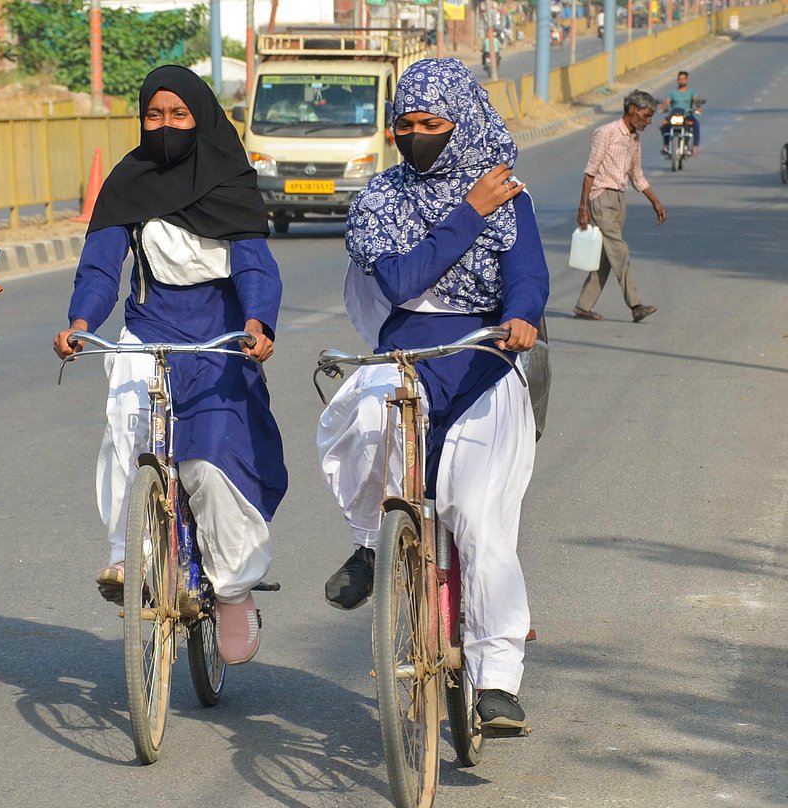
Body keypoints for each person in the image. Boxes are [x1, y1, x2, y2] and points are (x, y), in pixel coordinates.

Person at [318, 58, 547, 730]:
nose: (415, 135)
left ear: (464, 121)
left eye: (431, 123)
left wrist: (524, 314)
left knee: (478, 514)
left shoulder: (508, 193)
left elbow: (527, 275)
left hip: (481, 359)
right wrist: (467, 215)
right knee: (361, 422)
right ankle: (372, 544)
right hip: (407, 354)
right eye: (405, 124)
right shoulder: (380, 200)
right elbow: (400, 280)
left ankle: (498, 678)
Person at [53, 65, 288, 666]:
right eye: (153, 116)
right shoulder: (128, 182)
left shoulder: (233, 182)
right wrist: (82, 323)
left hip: (221, 337)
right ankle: (126, 554)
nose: (164, 127)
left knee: (208, 465)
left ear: (200, 118)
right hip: (151, 329)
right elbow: (102, 266)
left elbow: (256, 267)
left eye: (177, 116)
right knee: (125, 431)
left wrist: (258, 324)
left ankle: (234, 590)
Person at [573, 90, 665, 323]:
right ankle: (635, 305)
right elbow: (590, 171)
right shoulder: (607, 133)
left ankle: (583, 306)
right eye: (646, 115)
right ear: (632, 109)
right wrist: (583, 207)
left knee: (606, 256)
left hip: (619, 200)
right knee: (620, 251)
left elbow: (637, 175)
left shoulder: (634, 139)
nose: (649, 121)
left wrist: (655, 202)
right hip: (601, 197)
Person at [660, 70, 702, 157]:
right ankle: (666, 146)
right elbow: (667, 102)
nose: (681, 81)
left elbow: (696, 100)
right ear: (677, 80)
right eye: (680, 79)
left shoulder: (691, 92)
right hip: (674, 115)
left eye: (683, 79)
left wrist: (698, 107)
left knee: (696, 124)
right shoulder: (672, 92)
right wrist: (663, 107)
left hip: (687, 116)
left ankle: (695, 146)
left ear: (686, 80)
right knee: (665, 124)